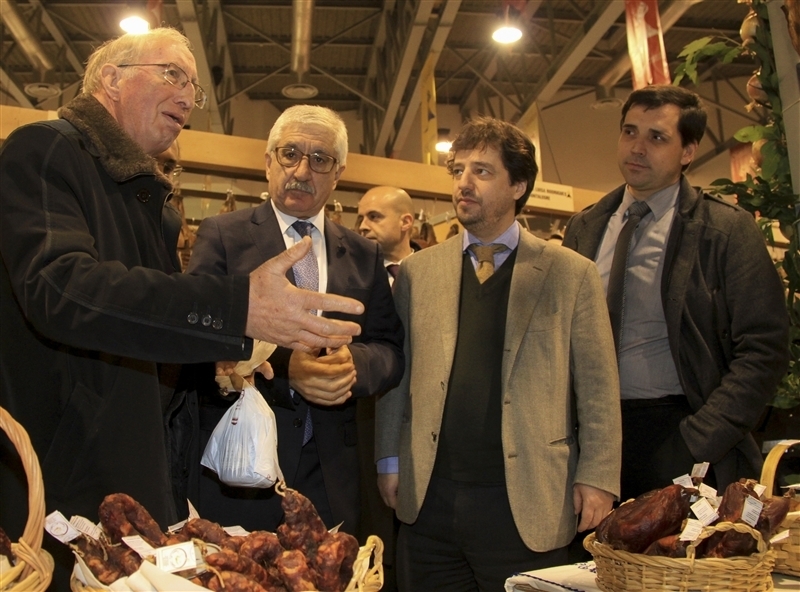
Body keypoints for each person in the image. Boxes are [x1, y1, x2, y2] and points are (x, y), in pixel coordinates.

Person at [0, 29, 363, 591]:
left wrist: (219, 357)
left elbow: (143, 324)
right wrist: (236, 308)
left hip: (135, 470)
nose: (188, 96)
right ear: (111, 78)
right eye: (172, 74)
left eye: (194, 86)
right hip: (65, 472)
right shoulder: (46, 149)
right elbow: (62, 290)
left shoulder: (145, 200)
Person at [375, 116, 621, 591]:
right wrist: (389, 458)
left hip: (527, 501)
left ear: (518, 185)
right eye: (458, 170)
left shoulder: (571, 274)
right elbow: (398, 375)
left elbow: (598, 387)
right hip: (430, 502)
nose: (464, 182)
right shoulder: (419, 272)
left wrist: (597, 476)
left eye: (482, 171)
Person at [562, 85, 790, 502]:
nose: (637, 147)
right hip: (593, 441)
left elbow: (765, 347)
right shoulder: (585, 228)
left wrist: (699, 438)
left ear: (688, 151)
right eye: (630, 132)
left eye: (657, 137)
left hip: (682, 434)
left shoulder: (724, 230)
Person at [187, 105, 405, 537]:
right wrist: (288, 370)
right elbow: (197, 335)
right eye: (290, 154)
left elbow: (390, 349)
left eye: (320, 159)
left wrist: (353, 366)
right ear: (268, 161)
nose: (302, 171)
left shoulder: (365, 254)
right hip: (241, 469)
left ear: (338, 173)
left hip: (332, 474)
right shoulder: (224, 236)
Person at [358, 186, 416, 285]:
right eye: (361, 219)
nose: (362, 226)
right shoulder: (352, 273)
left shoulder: (434, 271)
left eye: (373, 217)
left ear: (405, 222)